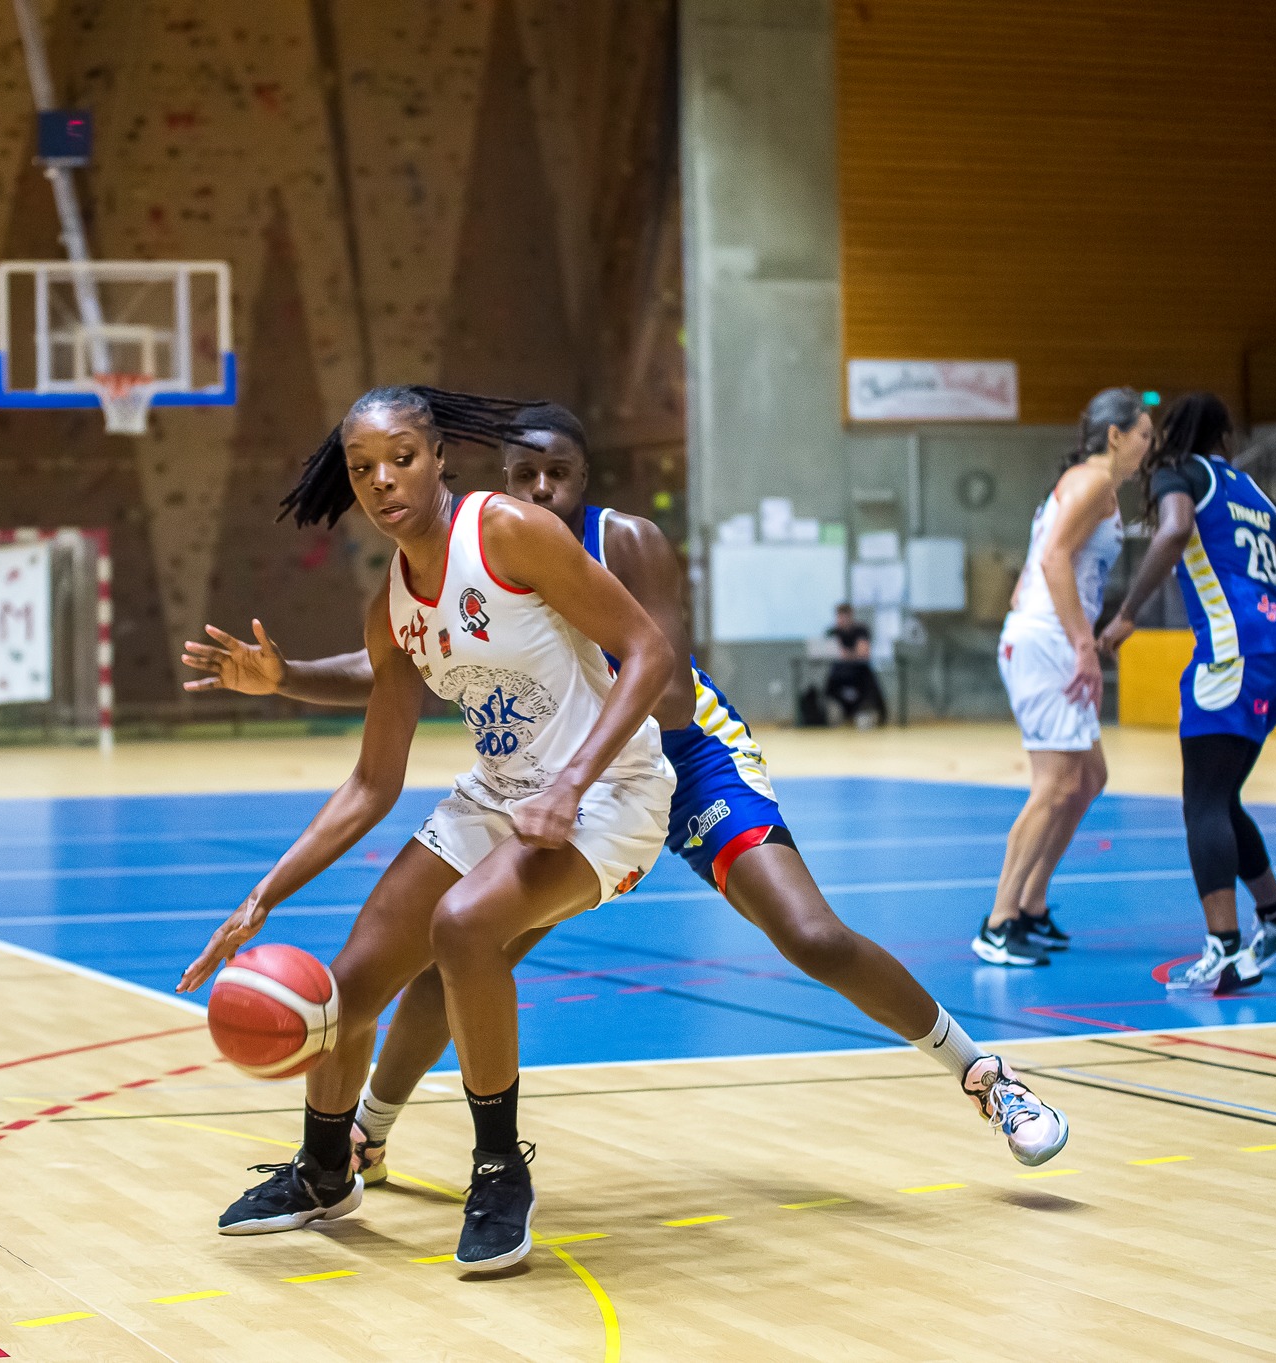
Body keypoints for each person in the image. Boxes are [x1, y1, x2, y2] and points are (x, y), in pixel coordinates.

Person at [183, 402, 1071, 1176]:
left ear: (583, 479)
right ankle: (366, 1136)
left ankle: (985, 1075)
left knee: (811, 935)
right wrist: (291, 674)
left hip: (679, 761)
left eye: (556, 476)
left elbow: (671, 687)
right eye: (523, 474)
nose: (538, 493)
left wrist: (565, 642)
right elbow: (405, 666)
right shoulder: (472, 557)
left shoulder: (616, 542)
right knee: (454, 956)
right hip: (552, 778)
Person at [175, 385, 679, 1273]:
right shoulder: (395, 608)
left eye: (400, 458)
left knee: (463, 926)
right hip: (498, 798)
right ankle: (325, 1172)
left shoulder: (509, 532)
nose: (383, 481)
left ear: (439, 455)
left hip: (609, 795)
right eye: (363, 468)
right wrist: (261, 898)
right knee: (346, 987)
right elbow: (372, 783)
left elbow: (650, 653)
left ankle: (498, 1170)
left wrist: (568, 784)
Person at [1099, 391, 1276, 994]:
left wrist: (1126, 613)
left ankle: (1225, 951)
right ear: (1225, 435)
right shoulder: (1259, 496)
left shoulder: (1182, 473)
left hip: (1231, 649)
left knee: (1202, 801)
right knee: (1222, 796)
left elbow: (1173, 533)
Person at [977, 388, 1151, 968]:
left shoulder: (1093, 486)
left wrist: (1086, 637)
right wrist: (1082, 644)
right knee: (1054, 786)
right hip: (1046, 641)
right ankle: (999, 921)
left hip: (1049, 638)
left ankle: (1031, 903)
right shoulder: (1093, 482)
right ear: (1115, 435)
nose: (1149, 449)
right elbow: (1053, 560)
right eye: (1145, 436)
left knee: (1089, 776)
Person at [825, 603, 888, 726]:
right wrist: (849, 653)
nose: (841, 620)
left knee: (868, 697)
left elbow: (863, 652)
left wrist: (846, 654)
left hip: (859, 673)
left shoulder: (860, 630)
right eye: (839, 617)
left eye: (844, 616)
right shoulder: (833, 632)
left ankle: (866, 713)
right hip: (840, 674)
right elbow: (833, 652)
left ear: (850, 616)